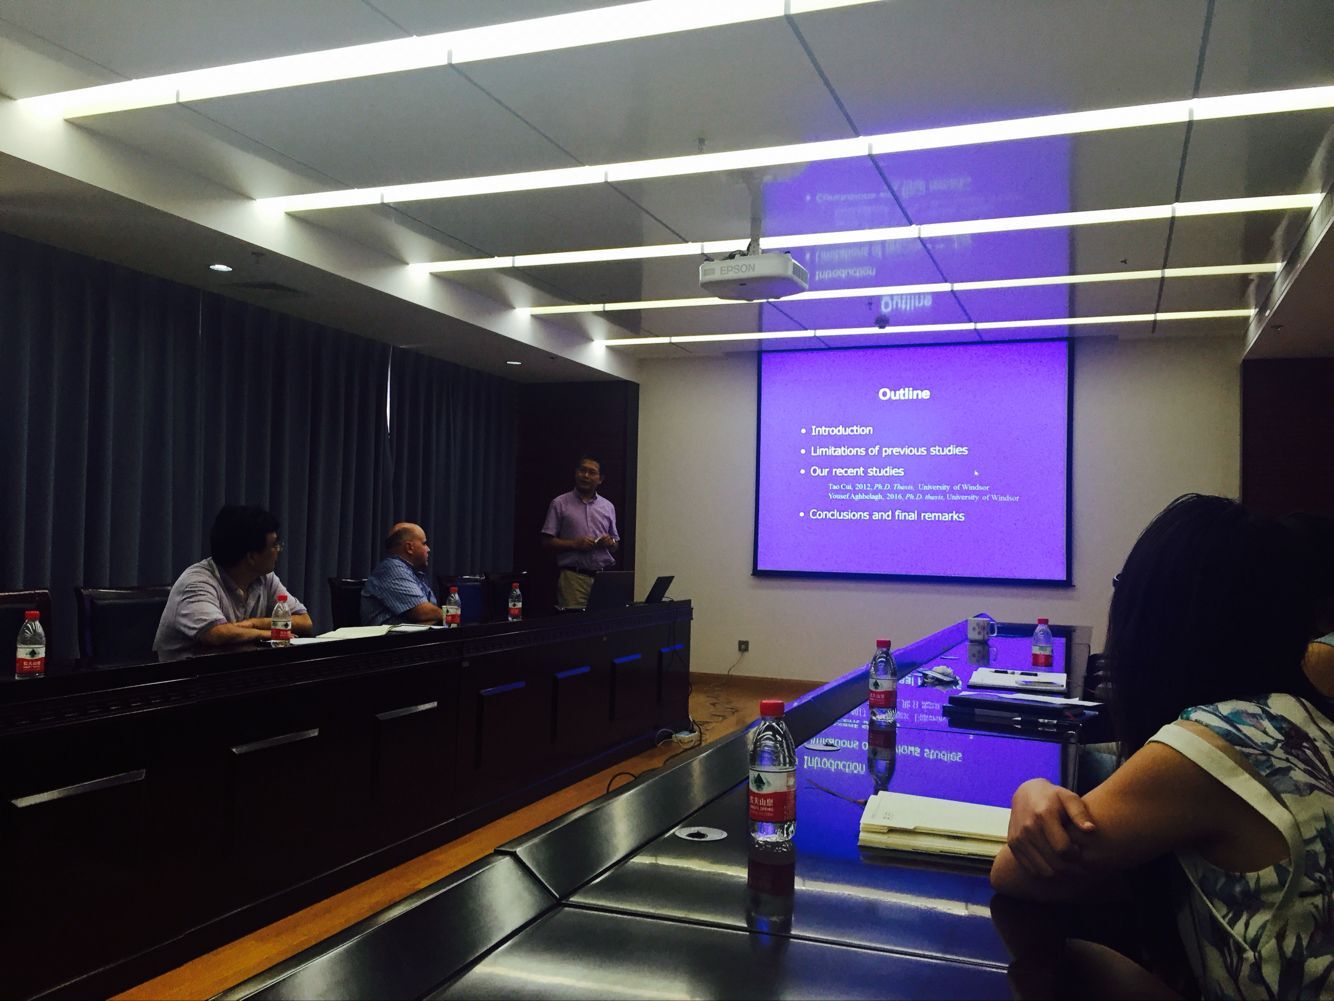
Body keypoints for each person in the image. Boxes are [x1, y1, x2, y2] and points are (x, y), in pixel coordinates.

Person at [990, 494, 1333, 999]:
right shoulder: (1301, 716)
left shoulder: (1207, 744)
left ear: (1158, 618)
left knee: (1067, 962)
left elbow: (1018, 873)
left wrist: (1031, 791)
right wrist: (1035, 787)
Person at [154, 504, 313, 660]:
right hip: (187, 674)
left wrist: (253, 623)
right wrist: (269, 633)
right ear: (251, 557)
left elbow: (304, 621)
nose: (278, 550)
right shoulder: (196, 582)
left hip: (233, 669)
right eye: (274, 545)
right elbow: (216, 634)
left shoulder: (265, 578)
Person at [541, 454, 619, 609]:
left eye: (592, 472)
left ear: (600, 479)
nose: (586, 476)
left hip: (603, 579)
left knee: (603, 622)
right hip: (573, 578)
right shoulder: (559, 503)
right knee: (575, 622)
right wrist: (575, 544)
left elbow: (615, 545)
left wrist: (610, 543)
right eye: (582, 470)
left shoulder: (608, 506)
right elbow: (546, 541)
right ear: (575, 473)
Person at [361, 522, 443, 626]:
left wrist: (438, 616)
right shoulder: (392, 569)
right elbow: (424, 612)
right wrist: (450, 614)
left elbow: (432, 613)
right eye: (424, 543)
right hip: (389, 636)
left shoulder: (412, 572)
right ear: (409, 548)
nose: (428, 549)